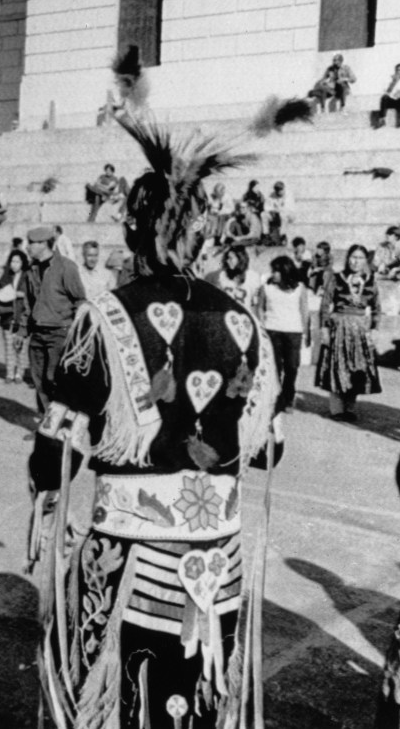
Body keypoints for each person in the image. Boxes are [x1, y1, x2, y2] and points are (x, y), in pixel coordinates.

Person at [29, 112, 280, 729]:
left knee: (110, 700)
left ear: (135, 229)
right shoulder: (246, 322)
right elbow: (269, 449)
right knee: (195, 699)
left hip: (130, 557)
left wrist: (46, 491)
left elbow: (58, 443)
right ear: (200, 235)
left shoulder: (107, 317)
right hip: (215, 561)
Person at [18, 225, 86, 413]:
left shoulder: (66, 267)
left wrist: (76, 331)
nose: (28, 247)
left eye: (31, 243)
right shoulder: (31, 270)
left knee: (54, 378)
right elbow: (28, 303)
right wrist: (22, 330)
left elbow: (80, 300)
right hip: (38, 333)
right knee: (39, 381)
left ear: (43, 244)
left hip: (60, 332)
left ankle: (63, 425)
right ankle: (46, 426)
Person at [315, 244, 382, 421]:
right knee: (337, 366)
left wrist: (375, 328)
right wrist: (324, 327)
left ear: (365, 260)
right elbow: (325, 304)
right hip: (339, 328)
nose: (355, 261)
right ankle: (337, 409)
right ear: (347, 258)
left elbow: (376, 307)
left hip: (360, 331)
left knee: (356, 368)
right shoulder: (336, 278)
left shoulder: (371, 280)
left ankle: (350, 408)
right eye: (353, 257)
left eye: (360, 258)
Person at [256, 256, 308, 412]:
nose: (273, 274)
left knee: (292, 367)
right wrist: (262, 326)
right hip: (272, 331)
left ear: (286, 271)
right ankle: (276, 399)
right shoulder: (266, 287)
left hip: (293, 332)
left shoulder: (300, 288)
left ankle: (288, 396)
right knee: (275, 367)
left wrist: (305, 332)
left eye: (276, 271)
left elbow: (304, 311)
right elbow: (259, 307)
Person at [0, 249, 28, 383]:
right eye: (12, 261)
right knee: (9, 346)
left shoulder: (27, 276)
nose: (14, 264)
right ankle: (9, 373)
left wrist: (20, 294)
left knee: (21, 347)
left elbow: (33, 294)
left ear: (23, 263)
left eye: (17, 261)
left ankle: (19, 373)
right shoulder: (5, 276)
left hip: (22, 316)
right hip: (7, 315)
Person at [263, 181, 292, 246]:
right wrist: (273, 210)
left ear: (283, 189)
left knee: (282, 215)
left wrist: (278, 209)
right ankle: (266, 234)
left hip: (288, 215)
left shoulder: (288, 195)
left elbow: (287, 208)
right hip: (276, 214)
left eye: (281, 190)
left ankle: (282, 235)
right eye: (278, 191)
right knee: (263, 214)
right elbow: (266, 207)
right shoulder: (272, 195)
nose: (280, 192)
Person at [374, 63, 400, 128]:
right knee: (384, 98)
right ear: (395, 71)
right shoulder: (390, 78)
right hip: (392, 100)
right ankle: (382, 119)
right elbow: (385, 91)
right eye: (398, 70)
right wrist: (393, 82)